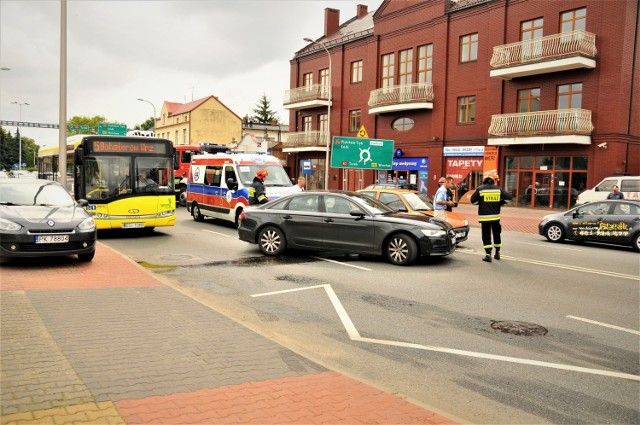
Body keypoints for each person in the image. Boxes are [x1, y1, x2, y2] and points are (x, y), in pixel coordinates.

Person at [470, 172, 513, 263]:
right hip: (495, 218)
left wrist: (480, 203)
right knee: (497, 234)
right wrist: (501, 202)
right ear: (493, 180)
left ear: (485, 180)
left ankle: (488, 255)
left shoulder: (480, 189)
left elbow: (472, 201)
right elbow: (509, 197)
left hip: (484, 218)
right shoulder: (498, 190)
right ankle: (497, 253)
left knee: (486, 236)